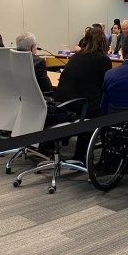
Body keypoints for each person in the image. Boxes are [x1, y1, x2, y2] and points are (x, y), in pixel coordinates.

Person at [54, 27, 111, 161]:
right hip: (81, 105)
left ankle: (82, 154)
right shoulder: (103, 60)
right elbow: (106, 86)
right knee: (110, 112)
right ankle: (108, 157)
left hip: (63, 104)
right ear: (103, 42)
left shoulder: (75, 57)